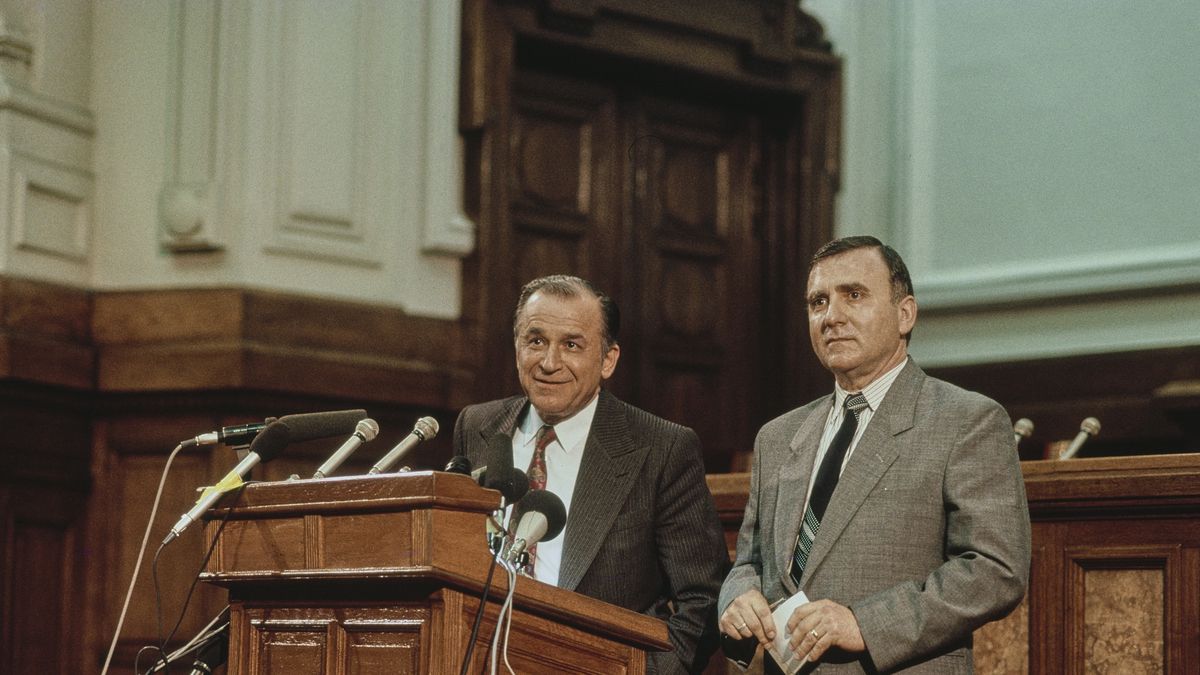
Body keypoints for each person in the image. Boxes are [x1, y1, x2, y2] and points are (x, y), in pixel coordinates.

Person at [718, 236, 1030, 673]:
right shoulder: (778, 436)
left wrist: (865, 624)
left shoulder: (966, 420)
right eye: (818, 302)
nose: (831, 317)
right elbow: (749, 561)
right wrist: (737, 598)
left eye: (854, 295)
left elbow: (996, 570)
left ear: (906, 314)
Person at [453, 274, 728, 674]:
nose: (549, 362)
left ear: (608, 359)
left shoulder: (663, 448)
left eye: (571, 345)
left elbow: (702, 599)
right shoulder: (477, 426)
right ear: (516, 348)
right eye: (535, 341)